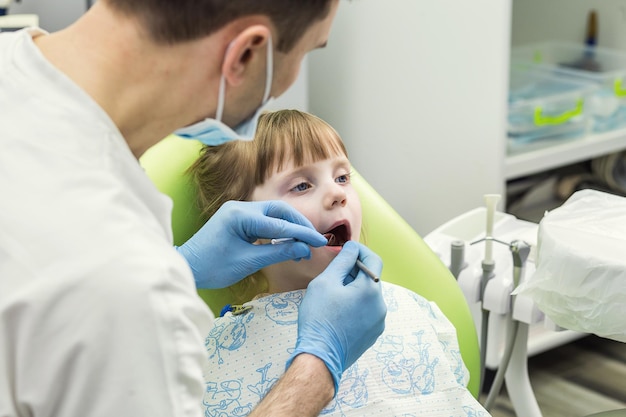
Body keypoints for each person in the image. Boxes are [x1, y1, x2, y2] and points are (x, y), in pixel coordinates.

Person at [0, 2, 387, 417]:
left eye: (342, 177)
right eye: (309, 50)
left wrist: (182, 266)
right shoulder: (129, 285)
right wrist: (318, 370)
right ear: (246, 54)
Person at [188, 109, 491, 416]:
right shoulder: (218, 348)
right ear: (248, 226)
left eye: (342, 177)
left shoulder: (416, 309)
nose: (337, 193)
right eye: (302, 185)